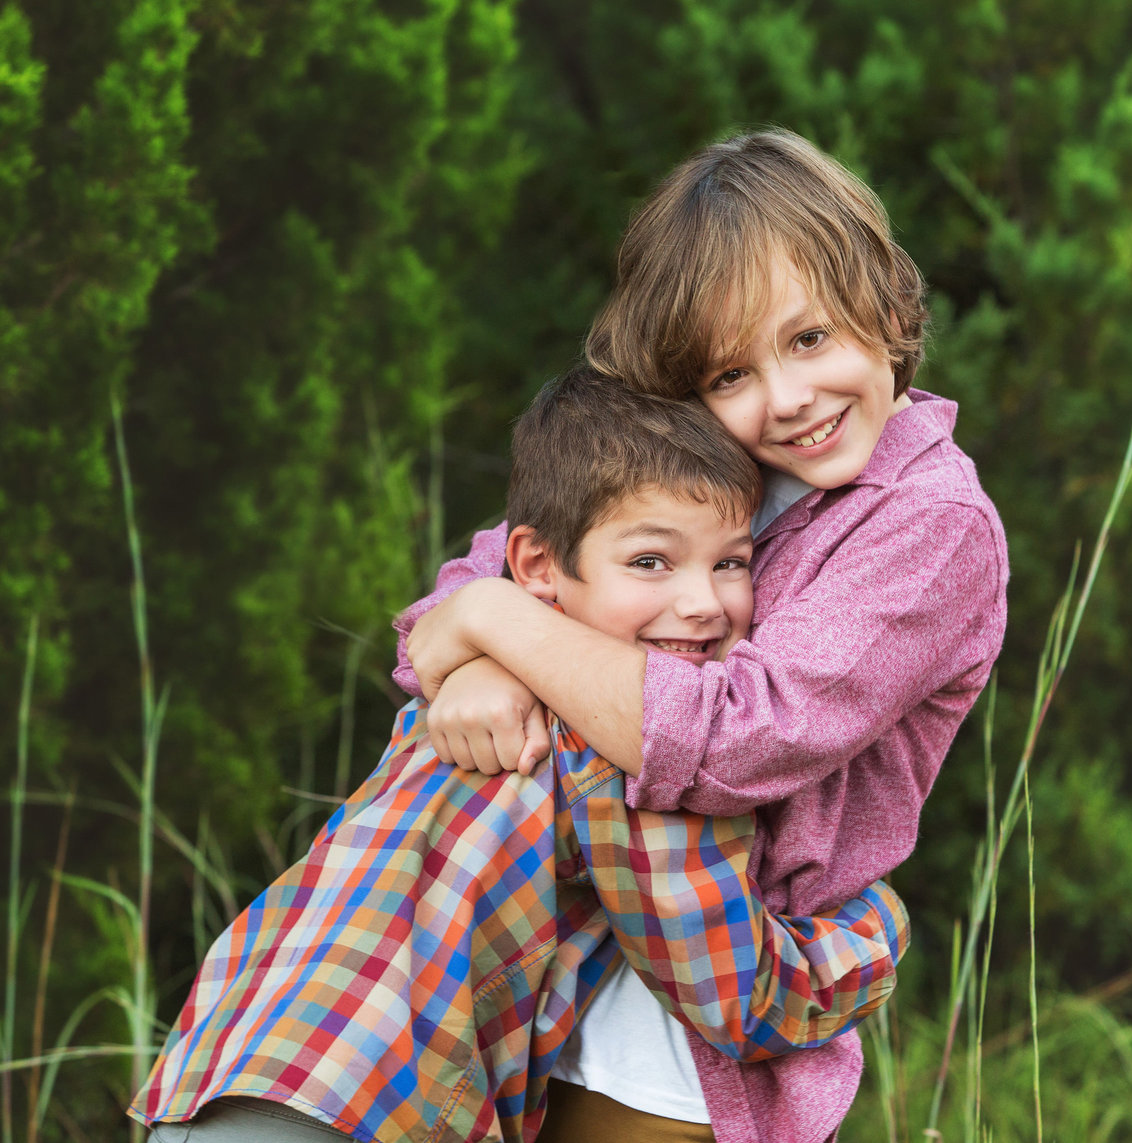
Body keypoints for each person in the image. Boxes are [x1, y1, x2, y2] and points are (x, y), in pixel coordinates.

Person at [398, 129, 1010, 1143]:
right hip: (554, 961)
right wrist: (473, 654)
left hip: (702, 1010)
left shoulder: (928, 525)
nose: (786, 400)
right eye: (730, 374)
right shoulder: (718, 466)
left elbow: (735, 739)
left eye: (809, 339)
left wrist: (492, 627)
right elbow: (494, 573)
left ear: (888, 309)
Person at [130, 368, 910, 1143]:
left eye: (731, 561)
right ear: (536, 566)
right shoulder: (626, 742)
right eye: (650, 562)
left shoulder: (456, 695)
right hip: (369, 1114)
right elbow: (738, 995)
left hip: (224, 1065)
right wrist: (874, 926)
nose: (703, 602)